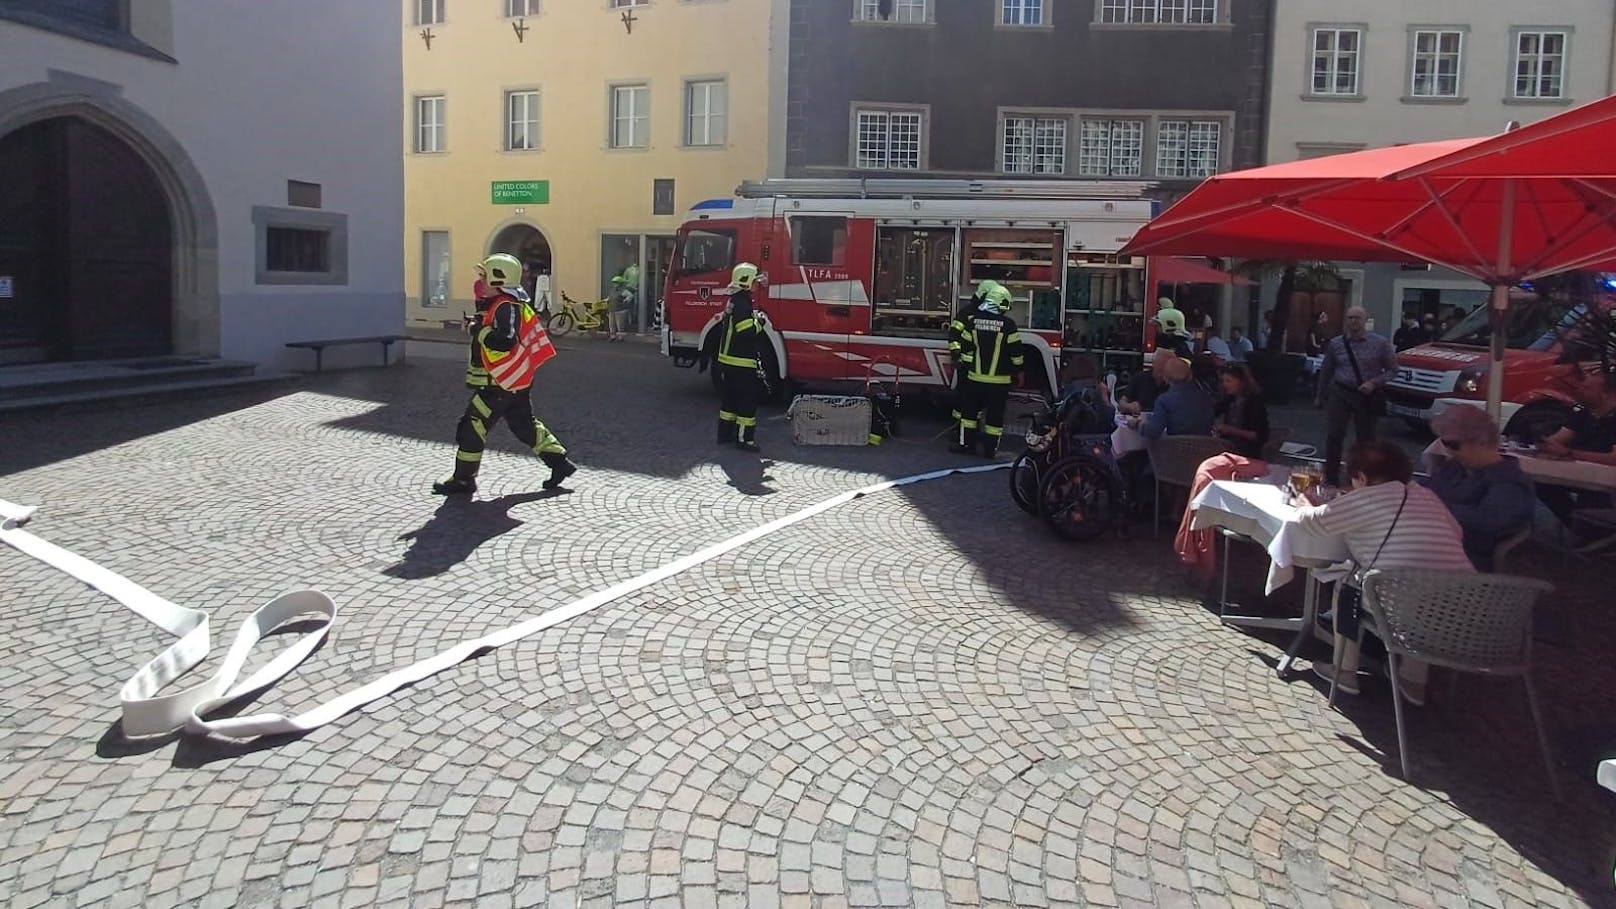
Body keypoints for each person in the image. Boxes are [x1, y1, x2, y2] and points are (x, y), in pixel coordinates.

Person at [1297, 441, 1475, 702]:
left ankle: (1344, 670)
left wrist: (1303, 503)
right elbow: (1457, 532)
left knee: (1347, 584)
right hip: (1466, 613)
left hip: (1403, 607)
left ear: (1361, 478)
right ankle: (1413, 679)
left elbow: (1315, 522)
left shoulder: (1367, 496)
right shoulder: (1427, 495)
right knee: (1427, 586)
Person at [434, 254, 577, 496]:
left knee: (472, 425)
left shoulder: (504, 305)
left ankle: (463, 479)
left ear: (497, 279)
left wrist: (477, 330)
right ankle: (559, 463)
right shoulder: (506, 304)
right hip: (512, 381)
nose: (479, 280)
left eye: (483, 276)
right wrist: (478, 323)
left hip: (499, 383)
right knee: (524, 426)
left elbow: (505, 341)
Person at [1421, 406, 1535, 571]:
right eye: (1444, 443)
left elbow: (1490, 523)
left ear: (1481, 442)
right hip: (1435, 547)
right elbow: (1426, 489)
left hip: (1463, 561)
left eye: (1453, 444)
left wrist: (1435, 507)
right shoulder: (1456, 467)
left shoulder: (1509, 481)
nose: (1448, 450)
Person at [1315, 306, 1397, 487]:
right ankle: (1331, 478)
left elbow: (1393, 370)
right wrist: (1320, 395)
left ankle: (1362, 478)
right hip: (1341, 390)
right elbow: (1326, 370)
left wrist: (1374, 382)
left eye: (1357, 318)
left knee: (1366, 440)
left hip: (1366, 395)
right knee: (1334, 435)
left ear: (1364, 320)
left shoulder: (1380, 343)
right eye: (1350, 318)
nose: (1353, 322)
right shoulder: (1336, 343)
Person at [952, 284, 1025, 458]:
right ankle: (990, 450)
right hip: (999, 383)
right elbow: (1016, 354)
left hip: (974, 380)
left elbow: (965, 349)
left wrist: (966, 367)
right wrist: (1019, 372)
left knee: (969, 414)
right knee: (994, 418)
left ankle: (966, 446)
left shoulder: (973, 322)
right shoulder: (1009, 325)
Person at [1535, 371, 1616, 524]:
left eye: (1587, 388)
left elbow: (1613, 459)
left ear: (1606, 393)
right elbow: (1558, 439)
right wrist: (1544, 443)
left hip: (1606, 483)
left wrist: (1570, 453)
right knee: (1540, 484)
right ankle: (1574, 525)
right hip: (1582, 477)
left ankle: (1586, 531)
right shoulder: (1584, 415)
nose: (1579, 391)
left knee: (1595, 497)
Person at [950, 279, 1003, 425]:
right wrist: (956, 354)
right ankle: (958, 429)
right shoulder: (967, 313)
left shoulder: (989, 314)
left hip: (980, 367)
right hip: (966, 366)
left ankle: (970, 430)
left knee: (977, 400)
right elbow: (954, 334)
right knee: (963, 398)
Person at [1140, 356, 1214, 440]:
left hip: (1175, 450)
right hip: (1206, 449)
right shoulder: (1206, 397)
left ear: (1166, 379)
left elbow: (1153, 432)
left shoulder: (1164, 401)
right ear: (1190, 376)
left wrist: (1138, 425)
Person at [1212, 364, 1270, 460]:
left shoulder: (1254, 403)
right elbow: (1213, 412)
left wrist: (1231, 430)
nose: (1224, 384)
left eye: (1229, 381)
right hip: (1228, 445)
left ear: (1242, 382)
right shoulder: (1230, 399)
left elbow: (1258, 436)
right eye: (1223, 381)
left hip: (1248, 450)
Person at [608, 262, 640, 341]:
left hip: (620, 310)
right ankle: (613, 336)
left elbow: (630, 296)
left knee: (620, 324)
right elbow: (609, 297)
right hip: (612, 309)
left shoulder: (623, 290)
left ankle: (620, 336)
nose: (615, 284)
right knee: (611, 324)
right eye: (614, 283)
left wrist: (626, 300)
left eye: (616, 283)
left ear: (620, 283)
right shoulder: (612, 290)